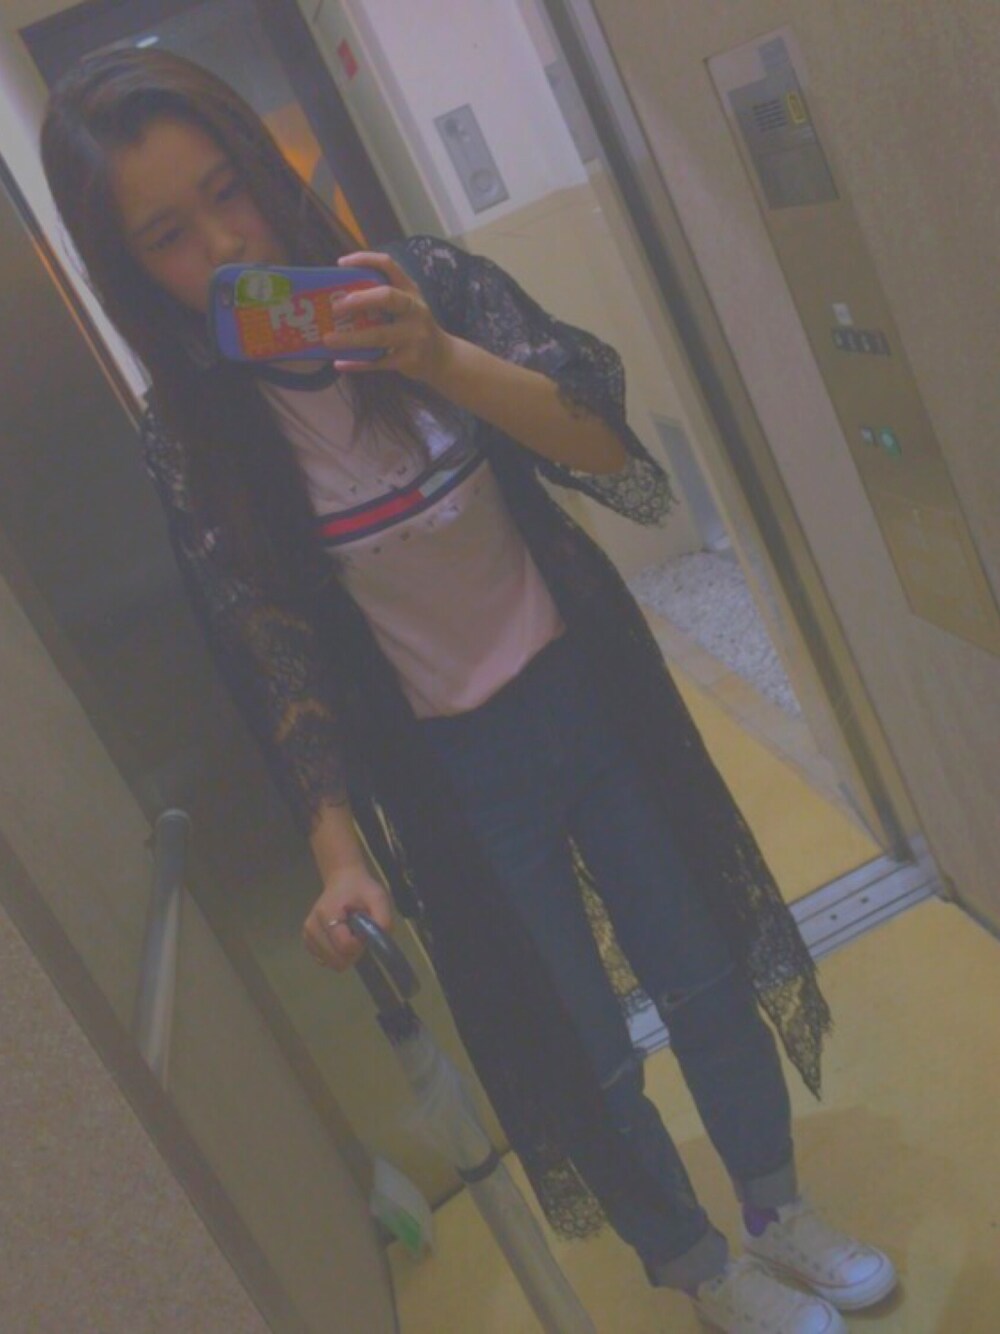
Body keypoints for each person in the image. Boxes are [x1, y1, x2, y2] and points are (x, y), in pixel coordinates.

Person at [41, 48, 897, 1332]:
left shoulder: (423, 287)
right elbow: (270, 643)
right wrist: (336, 850)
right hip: (453, 774)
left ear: (265, 168)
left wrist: (436, 355)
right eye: (169, 233)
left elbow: (601, 439)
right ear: (129, 269)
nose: (224, 243)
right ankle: (699, 1267)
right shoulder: (196, 431)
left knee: (706, 969)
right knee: (581, 1051)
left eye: (228, 189)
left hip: (590, 699)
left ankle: (777, 1210)